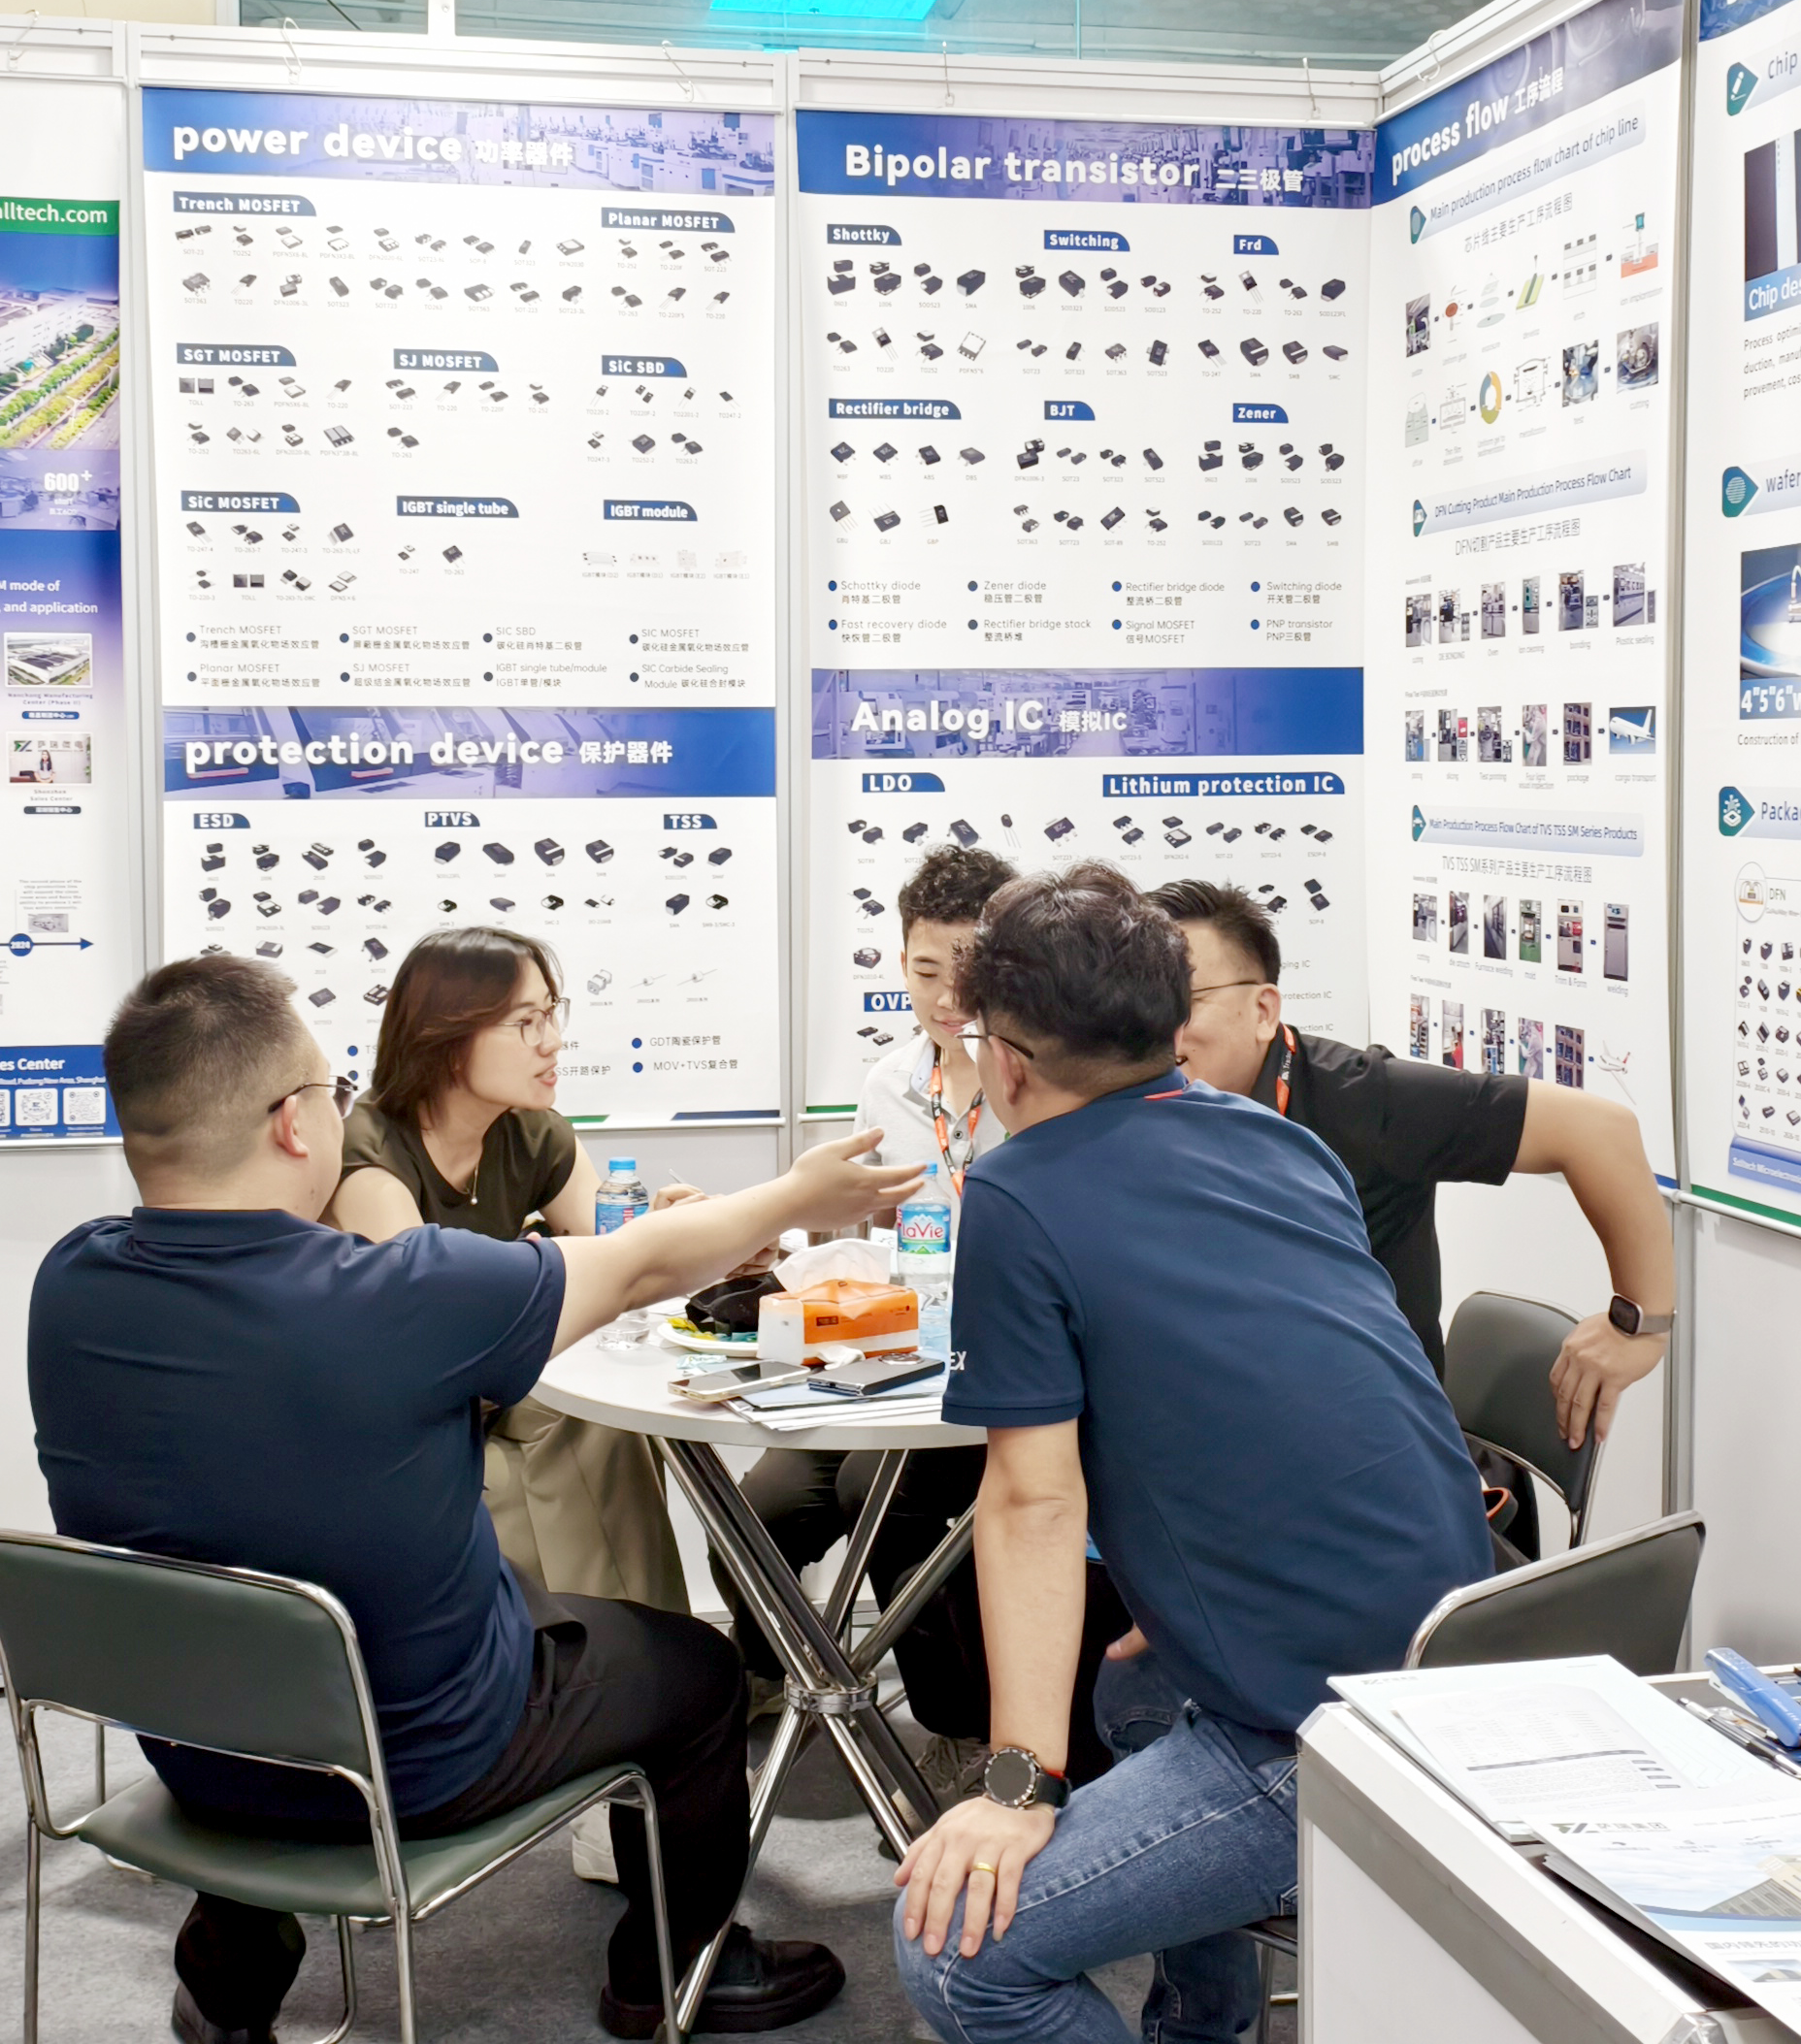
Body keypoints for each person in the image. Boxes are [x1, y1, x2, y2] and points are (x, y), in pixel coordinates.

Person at [28, 954, 923, 2041]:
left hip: (193, 1742)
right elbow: (640, 1266)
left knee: (339, 1619)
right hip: (416, 1757)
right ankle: (669, 1975)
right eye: (328, 1089)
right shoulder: (396, 1294)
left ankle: (228, 1982)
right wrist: (795, 1195)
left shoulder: (69, 1281)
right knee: (693, 1671)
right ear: (295, 1124)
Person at [889, 865, 1494, 2044]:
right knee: (1129, 1688)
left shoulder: (1015, 1193)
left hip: (1328, 1727)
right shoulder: (1280, 1142)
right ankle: (1204, 2023)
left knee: (959, 1957)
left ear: (1004, 1060)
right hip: (1451, 1647)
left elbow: (1029, 1505)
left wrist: (1018, 1786)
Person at [717, 846, 1040, 1786]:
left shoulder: (1040, 1087)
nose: (945, 997)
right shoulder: (889, 1084)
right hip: (898, 1359)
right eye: (924, 970)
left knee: (878, 1492)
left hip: (1004, 1371)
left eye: (966, 972)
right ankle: (787, 1676)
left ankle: (959, 1724)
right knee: (759, 1507)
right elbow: (866, 1241)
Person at [1148, 878, 1675, 1448]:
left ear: (1262, 1010)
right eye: (1145, 1003)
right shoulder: (1141, 1102)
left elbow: (1598, 1131)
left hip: (1369, 1442)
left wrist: (1639, 1327)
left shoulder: (1363, 1099)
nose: (1157, 1029)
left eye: (1184, 1002)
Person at [332, 927, 686, 1616]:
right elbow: (431, 1323)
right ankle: (600, 1640)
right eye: (527, 1022)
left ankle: (639, 1638)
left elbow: (615, 1259)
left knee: (602, 1410)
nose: (552, 1042)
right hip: (398, 1412)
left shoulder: (532, 1132)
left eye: (552, 1015)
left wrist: (668, 1232)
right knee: (577, 1419)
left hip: (492, 1380)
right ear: (446, 1036)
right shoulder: (367, 1147)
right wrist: (570, 1263)